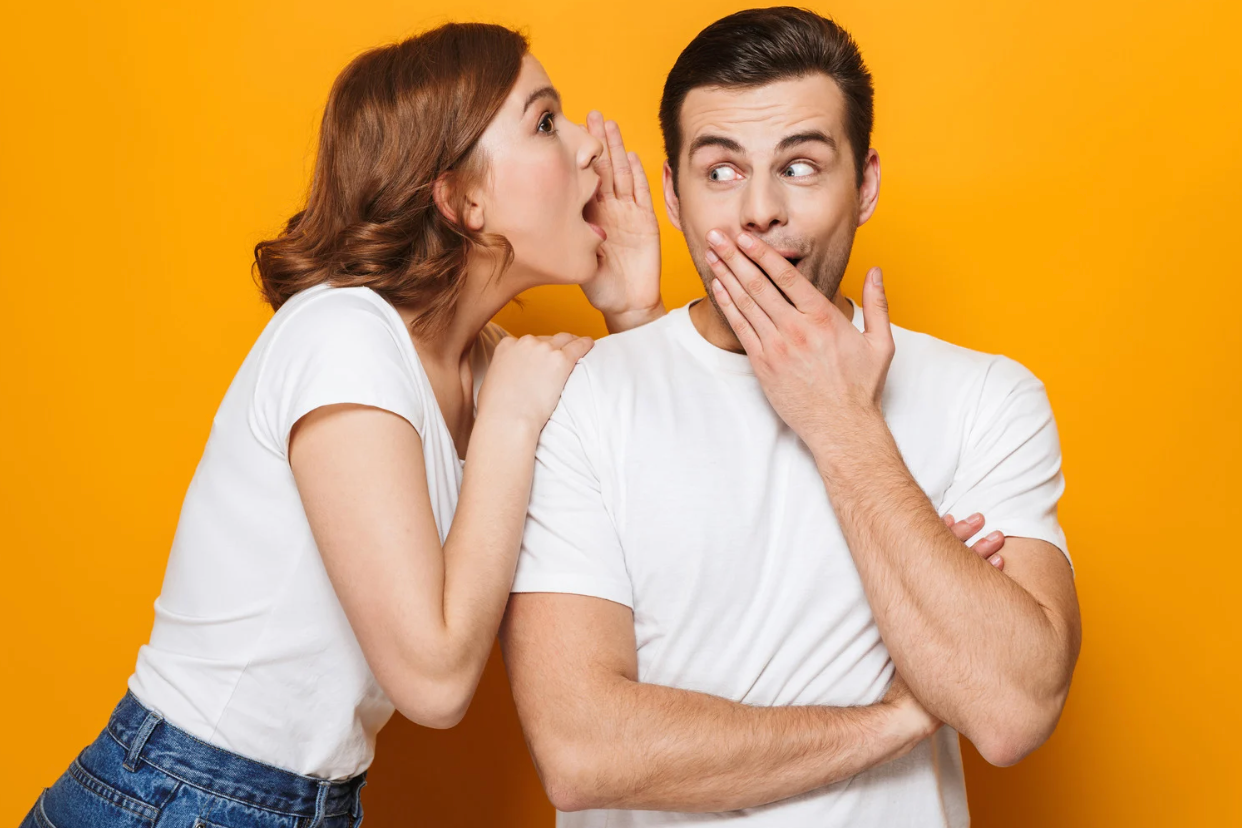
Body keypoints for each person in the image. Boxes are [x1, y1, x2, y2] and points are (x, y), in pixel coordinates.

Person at [21, 22, 665, 828]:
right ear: (459, 198)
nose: (589, 149)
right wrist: (508, 421)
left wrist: (634, 312)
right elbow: (433, 683)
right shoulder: (343, 336)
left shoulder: (489, 369)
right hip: (180, 800)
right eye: (544, 121)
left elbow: (660, 537)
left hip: (295, 806)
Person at [501, 7, 1082, 827]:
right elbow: (582, 750)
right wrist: (903, 716)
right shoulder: (581, 398)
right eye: (722, 172)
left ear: (866, 183)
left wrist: (841, 421)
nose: (760, 211)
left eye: (802, 166)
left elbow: (1013, 708)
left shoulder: (988, 397)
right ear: (673, 193)